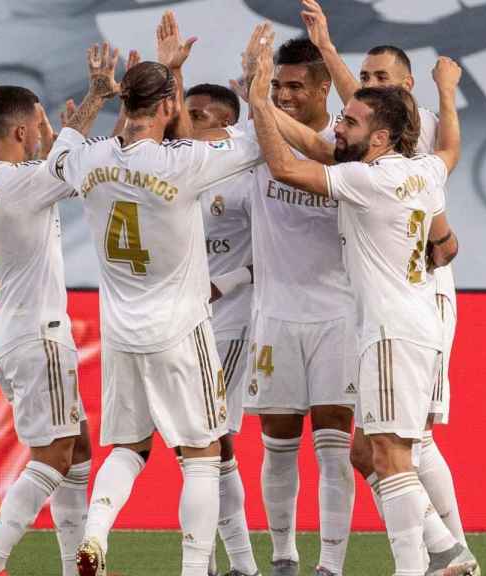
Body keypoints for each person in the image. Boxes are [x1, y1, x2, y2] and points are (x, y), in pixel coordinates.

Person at [45, 12, 264, 576]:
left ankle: (93, 536)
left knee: (128, 449)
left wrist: (101, 92)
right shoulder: (183, 162)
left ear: (123, 105)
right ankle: (195, 569)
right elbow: (253, 142)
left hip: (120, 332)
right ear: (169, 108)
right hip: (181, 327)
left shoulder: (90, 159)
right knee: (203, 455)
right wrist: (255, 81)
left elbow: (57, 156)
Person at [248, 27, 471, 576]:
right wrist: (447, 92)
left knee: (394, 457)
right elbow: (449, 149)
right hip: (414, 325)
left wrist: (257, 102)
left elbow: (286, 167)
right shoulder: (421, 171)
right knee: (374, 451)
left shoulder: (369, 182)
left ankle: (418, 567)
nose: (338, 127)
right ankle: (447, 553)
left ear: (378, 139)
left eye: (350, 122)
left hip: (391, 332)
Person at [0, 81, 95, 576]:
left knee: (77, 447)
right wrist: (98, 96)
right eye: (38, 125)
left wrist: (62, 135)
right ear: (20, 130)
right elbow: (72, 170)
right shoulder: (22, 184)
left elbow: (60, 165)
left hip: (9, 332)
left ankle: (80, 569)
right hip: (38, 334)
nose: (44, 133)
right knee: (55, 457)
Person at [235, 34, 357, 576]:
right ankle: (283, 557)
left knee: (334, 447)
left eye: (293, 86)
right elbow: (194, 138)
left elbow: (315, 153)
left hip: (338, 314)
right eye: (276, 85)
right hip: (275, 314)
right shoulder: (253, 136)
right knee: (278, 445)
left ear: (323, 87)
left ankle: (330, 565)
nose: (283, 95)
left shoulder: (348, 143)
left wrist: (257, 98)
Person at [186, 82, 261, 576]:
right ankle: (241, 564)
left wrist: (223, 283)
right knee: (210, 443)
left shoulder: (245, 176)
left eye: (193, 113)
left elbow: (275, 253)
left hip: (230, 322)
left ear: (220, 121)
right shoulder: (182, 170)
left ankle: (216, 562)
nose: (182, 119)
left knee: (206, 438)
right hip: (186, 324)